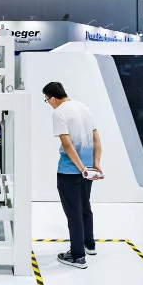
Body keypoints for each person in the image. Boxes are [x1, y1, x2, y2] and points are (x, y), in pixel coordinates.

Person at [43, 82, 102, 269]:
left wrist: (80, 167)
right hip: (88, 169)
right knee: (85, 207)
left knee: (73, 212)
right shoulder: (84, 108)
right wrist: (95, 165)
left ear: (53, 98)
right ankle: (89, 244)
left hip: (69, 171)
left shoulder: (59, 113)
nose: (49, 103)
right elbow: (96, 139)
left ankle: (77, 256)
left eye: (47, 100)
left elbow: (67, 145)